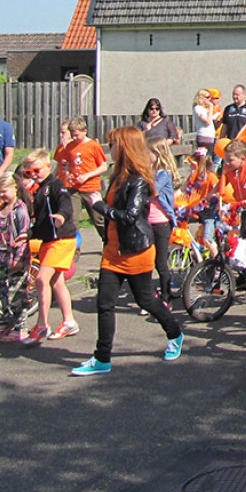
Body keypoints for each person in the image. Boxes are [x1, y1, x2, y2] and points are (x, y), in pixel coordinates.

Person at [73, 126, 185, 375]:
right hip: (113, 251)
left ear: (124, 147)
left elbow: (130, 216)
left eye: (112, 145)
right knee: (105, 304)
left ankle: (175, 333)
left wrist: (98, 205)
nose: (109, 150)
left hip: (135, 250)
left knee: (145, 299)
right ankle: (102, 358)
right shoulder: (117, 177)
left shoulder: (139, 180)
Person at [18, 149, 80, 345]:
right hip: (48, 240)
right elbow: (40, 221)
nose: (33, 175)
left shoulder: (55, 185)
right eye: (28, 173)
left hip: (61, 239)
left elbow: (65, 204)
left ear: (47, 167)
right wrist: (28, 235)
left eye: (36, 171)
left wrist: (61, 216)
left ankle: (41, 325)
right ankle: (69, 321)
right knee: (56, 282)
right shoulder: (38, 191)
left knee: (41, 279)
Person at [0, 175, 33, 342]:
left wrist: (19, 259)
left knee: (15, 294)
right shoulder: (1, 210)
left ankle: (21, 328)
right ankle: (6, 321)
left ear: (15, 189)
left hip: (15, 257)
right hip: (0, 256)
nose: (2, 195)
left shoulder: (20, 209)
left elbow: (24, 234)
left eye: (4, 191)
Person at [147, 137, 180, 303]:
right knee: (147, 260)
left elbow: (153, 190)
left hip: (161, 221)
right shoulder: (149, 171)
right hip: (146, 221)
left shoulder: (163, 173)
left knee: (160, 262)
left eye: (149, 152)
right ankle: (151, 294)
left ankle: (167, 296)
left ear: (158, 154)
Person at [60, 118, 107, 205]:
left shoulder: (93, 145)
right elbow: (68, 164)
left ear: (85, 131)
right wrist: (67, 173)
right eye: (72, 135)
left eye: (77, 135)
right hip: (74, 187)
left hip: (91, 187)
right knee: (73, 216)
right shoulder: (70, 146)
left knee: (97, 217)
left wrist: (87, 176)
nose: (74, 138)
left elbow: (103, 166)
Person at [192, 89, 218, 154]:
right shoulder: (198, 108)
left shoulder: (203, 108)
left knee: (209, 159)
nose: (209, 99)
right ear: (201, 97)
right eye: (207, 97)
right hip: (204, 137)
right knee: (204, 159)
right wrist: (211, 107)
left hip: (210, 137)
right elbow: (207, 122)